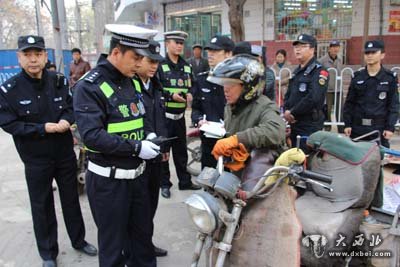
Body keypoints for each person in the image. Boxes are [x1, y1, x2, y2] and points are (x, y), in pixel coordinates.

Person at [0, 35, 97, 267]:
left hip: (64, 154)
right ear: (19, 57)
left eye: (38, 54)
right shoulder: (9, 89)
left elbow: (72, 108)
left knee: (72, 200)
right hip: (36, 160)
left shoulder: (59, 81)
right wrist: (42, 128)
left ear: (45, 56)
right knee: (41, 206)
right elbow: (9, 123)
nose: (33, 60)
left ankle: (79, 240)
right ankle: (48, 253)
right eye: (28, 55)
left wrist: (65, 120)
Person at [73, 24, 160, 267]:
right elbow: (92, 136)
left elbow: (142, 117)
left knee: (143, 243)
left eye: (142, 58)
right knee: (113, 249)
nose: (139, 63)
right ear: (116, 53)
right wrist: (136, 147)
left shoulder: (131, 82)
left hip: (138, 178)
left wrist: (150, 136)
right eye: (135, 57)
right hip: (109, 184)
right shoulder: (89, 86)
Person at [207, 54, 286, 172]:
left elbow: (275, 130)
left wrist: (237, 139)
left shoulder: (265, 106)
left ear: (248, 86)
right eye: (224, 84)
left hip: (264, 176)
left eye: (231, 84)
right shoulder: (230, 107)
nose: (225, 89)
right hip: (241, 172)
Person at [135, 40, 168, 257]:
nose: (154, 66)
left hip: (157, 154)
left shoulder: (156, 84)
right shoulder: (129, 86)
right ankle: (138, 248)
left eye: (157, 62)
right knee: (139, 207)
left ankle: (147, 243)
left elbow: (160, 118)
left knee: (152, 203)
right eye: (150, 61)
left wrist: (164, 147)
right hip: (137, 155)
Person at [157, 31, 201, 199]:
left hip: (180, 118)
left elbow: (194, 86)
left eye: (182, 43)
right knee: (164, 153)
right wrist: (170, 96)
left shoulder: (186, 66)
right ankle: (164, 184)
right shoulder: (160, 65)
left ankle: (184, 181)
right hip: (164, 118)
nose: (180, 46)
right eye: (176, 42)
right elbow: (156, 89)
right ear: (167, 43)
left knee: (181, 152)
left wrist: (191, 93)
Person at [343, 40, 399, 148]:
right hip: (358, 128)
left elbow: (393, 105)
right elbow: (349, 103)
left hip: (379, 128)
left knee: (378, 159)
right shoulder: (357, 77)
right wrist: (347, 124)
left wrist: (390, 127)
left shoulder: (389, 78)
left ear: (382, 55)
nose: (369, 56)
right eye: (367, 53)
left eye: (373, 52)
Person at [191, 35, 234, 168]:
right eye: (209, 51)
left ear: (228, 54)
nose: (210, 55)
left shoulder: (236, 81)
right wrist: (199, 120)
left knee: (228, 182)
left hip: (230, 142)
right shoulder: (202, 79)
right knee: (208, 179)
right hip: (208, 142)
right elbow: (196, 108)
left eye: (215, 51)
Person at [283, 34, 329, 153]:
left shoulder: (319, 71)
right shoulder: (297, 71)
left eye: (303, 46)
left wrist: (293, 113)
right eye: (296, 46)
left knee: (306, 159)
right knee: (294, 157)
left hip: (309, 124)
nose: (298, 49)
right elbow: (289, 94)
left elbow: (314, 97)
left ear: (312, 49)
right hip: (294, 124)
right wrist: (286, 112)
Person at [318, 40, 343, 131]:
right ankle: (327, 128)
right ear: (329, 48)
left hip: (338, 89)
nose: (335, 49)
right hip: (328, 90)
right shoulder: (322, 61)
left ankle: (341, 129)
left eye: (337, 47)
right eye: (333, 47)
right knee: (327, 110)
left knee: (339, 110)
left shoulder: (339, 60)